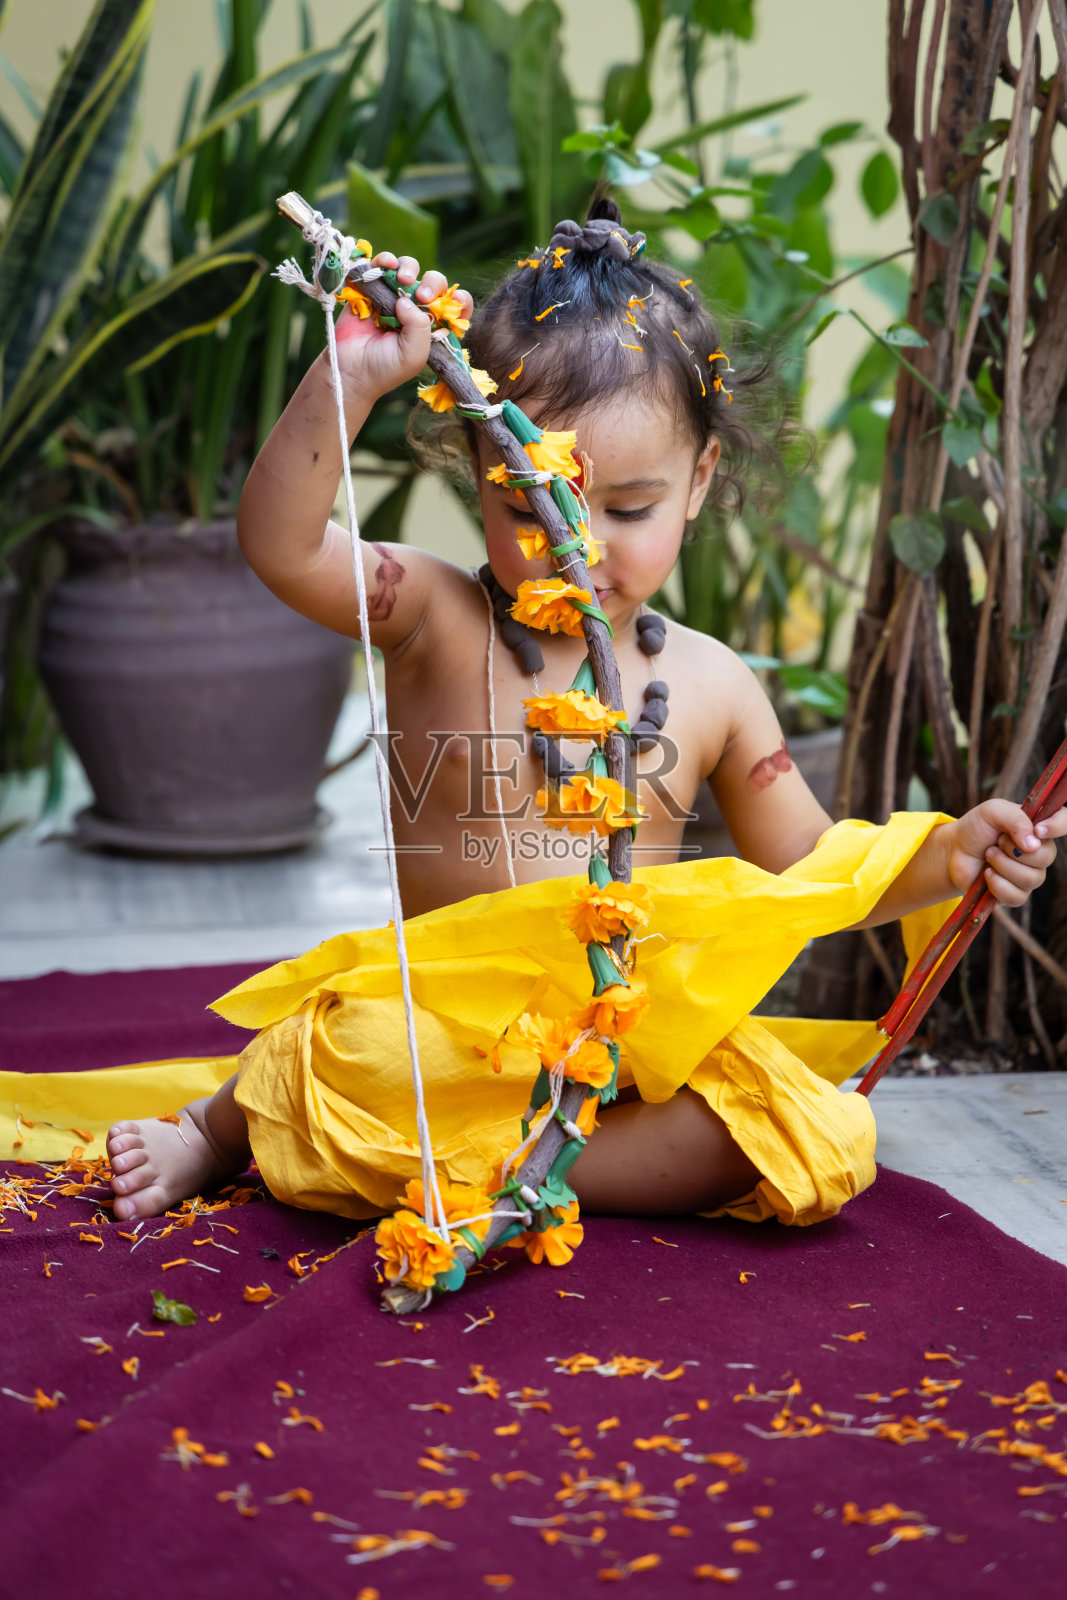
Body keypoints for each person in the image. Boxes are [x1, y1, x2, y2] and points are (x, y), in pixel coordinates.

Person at [106, 196, 1065, 1234]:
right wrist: (346, 383)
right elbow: (282, 546)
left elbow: (808, 865)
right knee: (351, 1048)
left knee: (797, 1129)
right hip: (437, 1035)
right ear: (478, 474)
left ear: (698, 481)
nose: (578, 547)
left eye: (628, 509)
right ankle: (218, 1129)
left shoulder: (710, 683)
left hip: (619, 1045)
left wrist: (948, 857)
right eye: (532, 506)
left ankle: (500, 1170)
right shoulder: (431, 616)